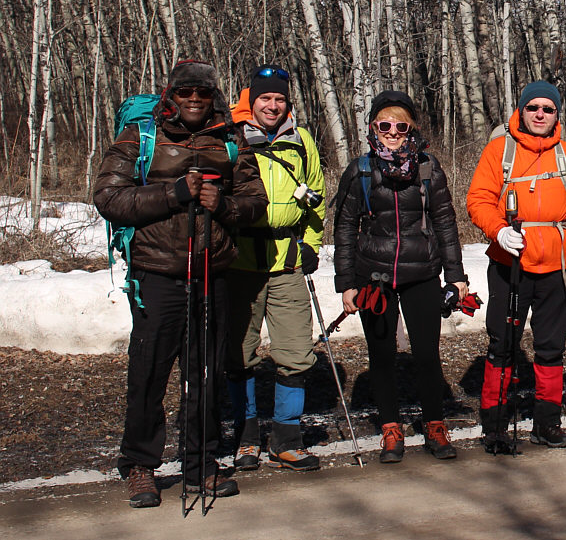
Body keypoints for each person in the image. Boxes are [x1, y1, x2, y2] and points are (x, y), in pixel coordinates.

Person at [95, 60, 267, 508]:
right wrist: (173, 195)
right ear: (171, 93)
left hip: (212, 274)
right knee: (149, 372)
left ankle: (201, 465)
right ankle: (139, 466)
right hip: (156, 275)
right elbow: (109, 198)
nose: (194, 99)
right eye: (186, 92)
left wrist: (224, 205)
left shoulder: (231, 138)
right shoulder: (141, 135)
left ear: (214, 97)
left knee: (205, 374)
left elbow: (257, 204)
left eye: (203, 93)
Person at [333, 91, 467, 462]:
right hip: (372, 277)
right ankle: (391, 430)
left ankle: (435, 426)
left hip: (422, 272)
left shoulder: (428, 167)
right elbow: (344, 229)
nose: (392, 132)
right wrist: (345, 283)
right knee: (381, 355)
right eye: (384, 125)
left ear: (412, 130)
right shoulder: (360, 170)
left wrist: (456, 276)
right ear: (373, 127)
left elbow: (445, 221)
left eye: (400, 126)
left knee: (426, 354)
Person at [465, 80, 566, 453]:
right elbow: (478, 200)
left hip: (556, 266)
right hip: (510, 263)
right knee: (502, 345)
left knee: (551, 348)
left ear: (557, 115)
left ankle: (546, 424)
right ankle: (495, 426)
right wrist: (499, 231)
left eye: (548, 109)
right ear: (522, 110)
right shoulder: (498, 151)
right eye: (533, 108)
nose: (540, 114)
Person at [224, 65, 325, 472]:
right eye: (265, 98)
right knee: (239, 353)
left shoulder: (301, 142)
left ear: (288, 104)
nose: (272, 105)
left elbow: (316, 197)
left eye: (279, 99)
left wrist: (312, 245)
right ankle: (246, 438)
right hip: (240, 263)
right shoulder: (229, 139)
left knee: (296, 353)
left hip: (287, 263)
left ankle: (287, 439)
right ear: (252, 101)